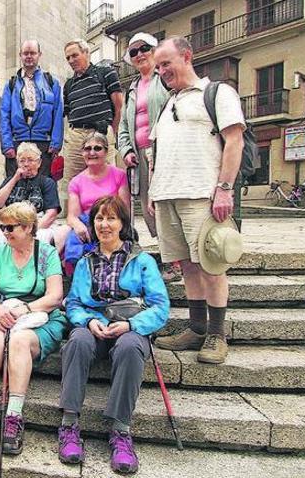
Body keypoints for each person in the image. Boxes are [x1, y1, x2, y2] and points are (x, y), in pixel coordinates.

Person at [147, 37, 246, 365]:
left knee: (211, 264)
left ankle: (217, 334)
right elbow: (157, 153)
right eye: (158, 67)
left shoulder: (216, 93)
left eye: (166, 63)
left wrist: (224, 188)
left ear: (186, 56)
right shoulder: (166, 103)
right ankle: (197, 328)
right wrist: (152, 193)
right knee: (187, 265)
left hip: (201, 194)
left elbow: (234, 141)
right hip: (167, 195)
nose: (162, 71)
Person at [57, 196, 169, 475]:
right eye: (99, 219)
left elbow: (160, 305)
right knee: (78, 341)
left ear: (122, 224)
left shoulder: (142, 261)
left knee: (131, 348)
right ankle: (69, 424)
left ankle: (121, 431)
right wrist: (89, 320)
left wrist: (132, 326)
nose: (104, 225)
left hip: (130, 326)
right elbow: (73, 303)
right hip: (96, 326)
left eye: (111, 219)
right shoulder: (85, 262)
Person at [0, 202, 68, 455]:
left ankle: (14, 416)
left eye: (10, 227)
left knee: (18, 341)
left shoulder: (47, 253)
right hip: (6, 311)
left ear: (28, 228)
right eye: (2, 227)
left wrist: (24, 311)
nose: (5, 232)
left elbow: (55, 296)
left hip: (43, 316)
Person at [118, 33, 170, 239]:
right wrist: (125, 150)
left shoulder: (165, 79)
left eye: (144, 48)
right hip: (140, 155)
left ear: (154, 51)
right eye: (133, 52)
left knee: (164, 200)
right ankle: (166, 251)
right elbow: (123, 125)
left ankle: (175, 255)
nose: (139, 54)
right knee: (146, 202)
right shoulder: (131, 88)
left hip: (164, 151)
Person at [61, 132, 129, 269]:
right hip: (87, 222)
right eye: (87, 149)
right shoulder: (76, 181)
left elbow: (125, 210)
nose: (92, 152)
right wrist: (78, 226)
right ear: (82, 153)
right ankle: (77, 269)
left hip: (112, 219)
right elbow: (72, 216)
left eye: (97, 148)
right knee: (74, 237)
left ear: (106, 151)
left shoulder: (119, 175)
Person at [62, 39, 124, 185]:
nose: (71, 60)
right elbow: (69, 112)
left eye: (74, 55)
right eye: (68, 58)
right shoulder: (68, 85)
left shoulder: (106, 73)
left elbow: (119, 106)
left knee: (105, 181)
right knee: (73, 183)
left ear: (86, 53)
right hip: (76, 136)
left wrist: (110, 132)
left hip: (101, 132)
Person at [0, 40, 64, 179]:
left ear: (39, 55)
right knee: (15, 186)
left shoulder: (51, 82)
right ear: (20, 55)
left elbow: (58, 113)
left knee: (43, 185)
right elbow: (4, 115)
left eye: (33, 53)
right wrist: (7, 145)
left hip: (44, 144)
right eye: (26, 53)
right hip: (17, 142)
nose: (29, 56)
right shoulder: (10, 84)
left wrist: (56, 143)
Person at [0, 144, 64, 257]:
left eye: (30, 160)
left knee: (42, 237)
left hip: (38, 224)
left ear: (39, 163)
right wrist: (15, 179)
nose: (26, 164)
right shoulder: (10, 181)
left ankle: (39, 271)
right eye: (22, 161)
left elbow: (51, 214)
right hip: (11, 224)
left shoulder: (47, 182)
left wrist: (30, 230)